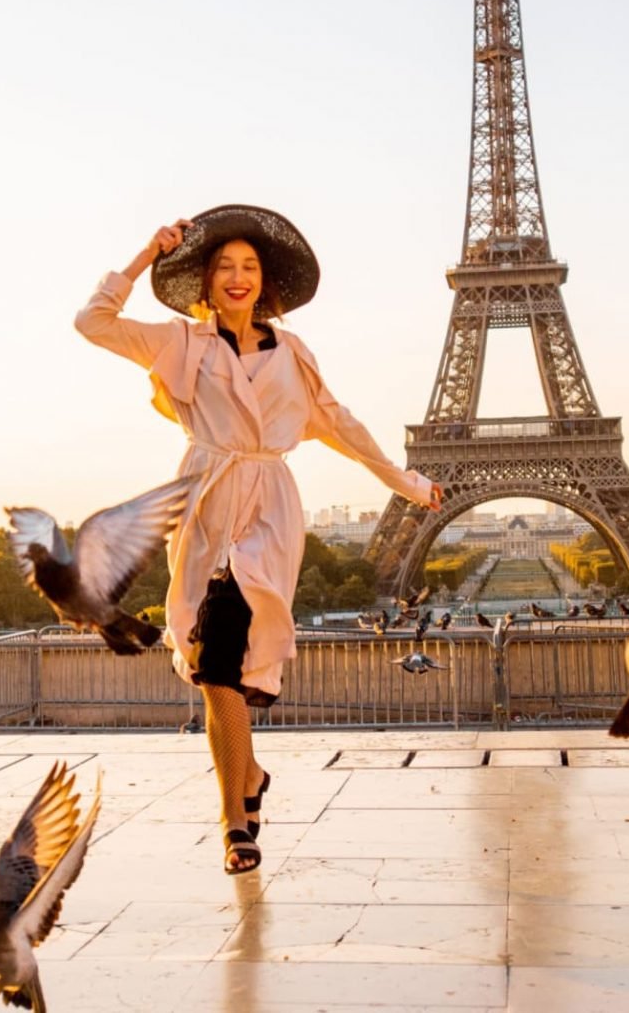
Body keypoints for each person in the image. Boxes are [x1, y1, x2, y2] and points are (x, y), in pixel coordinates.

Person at [76, 204, 441, 874]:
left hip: (268, 511)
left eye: (248, 266)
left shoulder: (293, 354)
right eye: (223, 267)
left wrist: (406, 482)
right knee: (216, 664)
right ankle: (248, 780)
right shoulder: (179, 344)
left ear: (264, 280)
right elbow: (90, 323)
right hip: (206, 500)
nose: (237, 277)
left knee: (223, 662)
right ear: (205, 282)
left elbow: (340, 423)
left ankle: (233, 823)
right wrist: (142, 254)